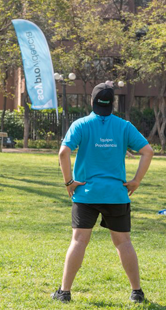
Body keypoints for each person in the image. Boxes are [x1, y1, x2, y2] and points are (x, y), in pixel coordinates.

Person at [52, 81, 153, 303]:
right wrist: (136, 181)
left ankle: (64, 293)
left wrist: (69, 182)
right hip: (116, 194)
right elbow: (148, 151)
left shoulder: (81, 124)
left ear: (92, 101)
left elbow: (63, 153)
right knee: (123, 242)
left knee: (78, 241)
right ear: (112, 104)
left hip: (86, 194)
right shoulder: (124, 126)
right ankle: (136, 292)